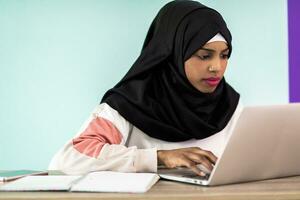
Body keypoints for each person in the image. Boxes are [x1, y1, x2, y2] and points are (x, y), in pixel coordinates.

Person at [49, 0, 242, 177]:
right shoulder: (129, 104)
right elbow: (68, 159)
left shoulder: (229, 105)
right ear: (172, 53)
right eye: (204, 56)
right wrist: (158, 158)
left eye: (224, 55)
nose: (216, 67)